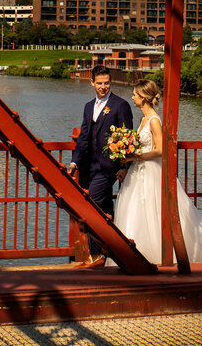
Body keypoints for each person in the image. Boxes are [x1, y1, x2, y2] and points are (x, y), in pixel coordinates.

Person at [110, 80, 202, 265]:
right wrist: (127, 163)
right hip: (138, 170)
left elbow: (161, 150)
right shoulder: (143, 119)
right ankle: (138, 254)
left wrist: (133, 157)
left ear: (144, 98)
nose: (132, 97)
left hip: (151, 171)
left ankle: (158, 253)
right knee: (138, 210)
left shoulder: (154, 120)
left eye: (135, 94)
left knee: (153, 210)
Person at [67, 65, 133, 267]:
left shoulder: (120, 105)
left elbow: (127, 137)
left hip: (109, 167)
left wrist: (124, 166)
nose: (103, 87)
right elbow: (84, 137)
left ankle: (96, 257)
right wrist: (74, 162)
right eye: (100, 83)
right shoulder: (88, 106)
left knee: (90, 207)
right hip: (91, 166)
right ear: (92, 83)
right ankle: (112, 255)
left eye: (107, 83)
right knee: (104, 211)